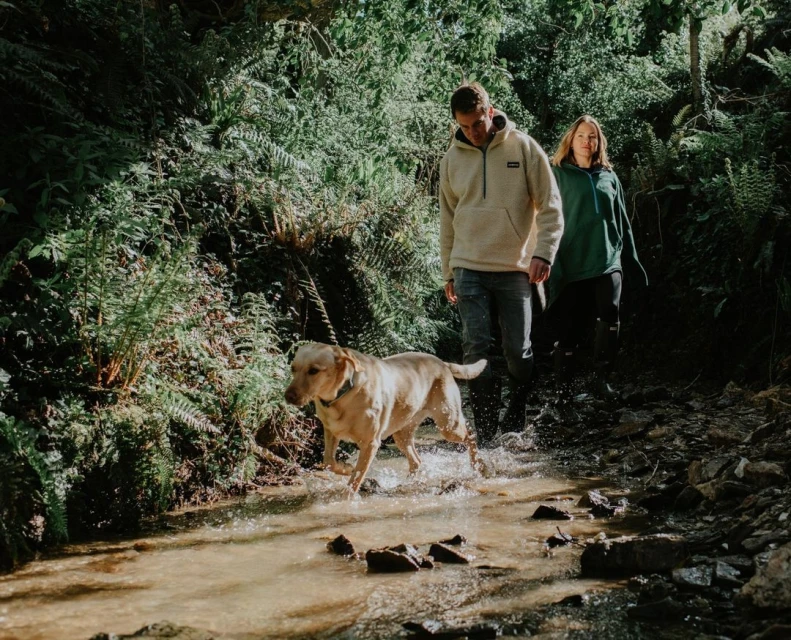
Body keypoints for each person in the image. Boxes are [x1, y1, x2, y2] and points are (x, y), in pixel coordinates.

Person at [440, 83, 564, 446]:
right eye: (464, 126)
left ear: (490, 111)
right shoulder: (451, 159)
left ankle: (517, 408)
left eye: (477, 123)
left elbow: (551, 205)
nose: (473, 132)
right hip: (467, 265)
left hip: (515, 266)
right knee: (475, 350)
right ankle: (488, 436)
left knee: (518, 353)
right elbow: (447, 219)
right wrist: (449, 270)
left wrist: (543, 252)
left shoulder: (523, 147)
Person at [547, 115, 648, 397]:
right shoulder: (556, 174)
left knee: (610, 314)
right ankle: (563, 393)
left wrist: (632, 261)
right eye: (581, 135)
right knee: (570, 327)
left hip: (608, 258)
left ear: (598, 142)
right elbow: (542, 216)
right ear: (571, 139)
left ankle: (601, 379)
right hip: (572, 261)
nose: (586, 141)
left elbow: (622, 221)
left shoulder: (609, 176)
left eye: (592, 136)